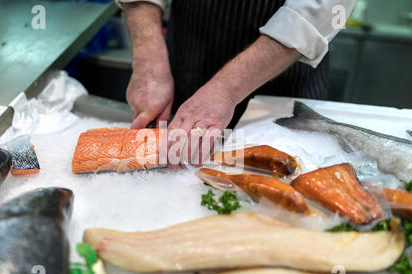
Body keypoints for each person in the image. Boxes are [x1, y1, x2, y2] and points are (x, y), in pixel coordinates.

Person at [117, 0, 355, 166]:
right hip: (185, 63)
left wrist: (226, 89)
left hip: (283, 84)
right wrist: (148, 55)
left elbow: (333, 6)